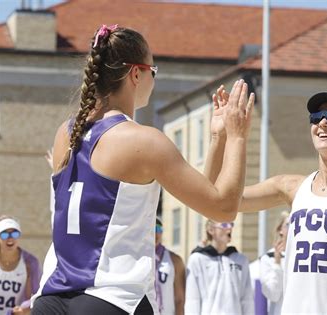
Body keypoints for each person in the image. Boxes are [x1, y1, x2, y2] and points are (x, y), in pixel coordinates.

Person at [31, 24, 254, 315]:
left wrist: (217, 139)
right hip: (111, 300)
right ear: (136, 73)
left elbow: (202, 194)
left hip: (51, 300)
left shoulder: (66, 133)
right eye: (154, 70)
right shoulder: (143, 141)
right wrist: (238, 136)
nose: (154, 77)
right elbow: (223, 208)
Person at [205, 90, 327, 314]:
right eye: (317, 117)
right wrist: (220, 137)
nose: (323, 122)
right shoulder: (291, 186)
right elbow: (214, 199)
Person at [184, 220, 254, 314]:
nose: (229, 230)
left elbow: (247, 299)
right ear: (211, 230)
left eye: (231, 225)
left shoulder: (241, 260)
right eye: (224, 225)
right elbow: (192, 300)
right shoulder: (197, 259)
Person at [0, 216, 41, 315]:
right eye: (4, 234)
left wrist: (23, 308)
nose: (10, 238)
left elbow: (36, 295)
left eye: (15, 234)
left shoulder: (30, 261)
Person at [259, 211, 289, 315]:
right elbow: (273, 294)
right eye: (288, 224)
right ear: (280, 229)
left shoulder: (301, 256)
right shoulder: (268, 258)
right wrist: (277, 263)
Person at [154, 217, 185, 315]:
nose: (155, 233)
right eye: (151, 228)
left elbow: (180, 299)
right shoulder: (138, 259)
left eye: (158, 229)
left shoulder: (174, 260)